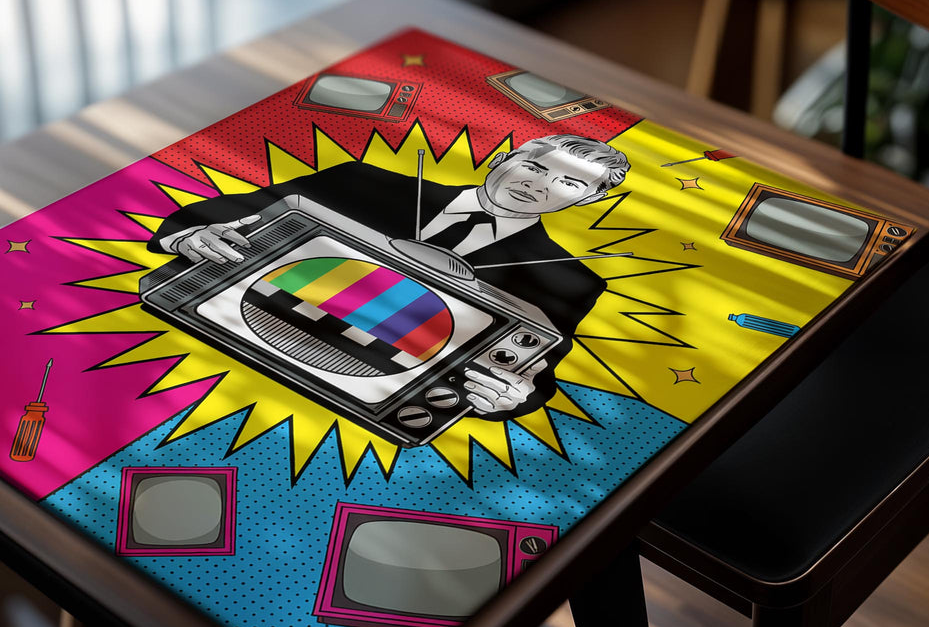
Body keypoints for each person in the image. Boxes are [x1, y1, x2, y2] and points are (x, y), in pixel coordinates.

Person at [148, 135, 630, 420]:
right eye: (532, 165)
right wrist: (189, 238)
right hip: (200, 353)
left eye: (568, 182)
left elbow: (535, 377)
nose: (536, 184)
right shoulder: (358, 180)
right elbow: (202, 217)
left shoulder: (572, 281)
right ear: (504, 157)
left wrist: (510, 398)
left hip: (350, 407)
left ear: (587, 201)